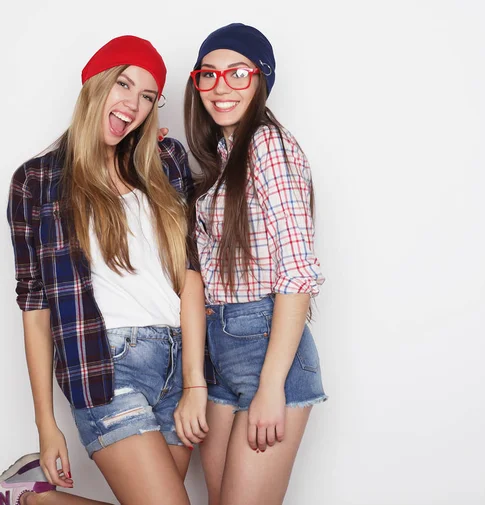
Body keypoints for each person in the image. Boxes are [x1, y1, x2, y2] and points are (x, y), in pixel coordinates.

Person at [2, 35, 210, 505]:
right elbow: (35, 308)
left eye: (147, 96)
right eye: (123, 84)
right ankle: (35, 497)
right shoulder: (36, 181)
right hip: (105, 366)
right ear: (95, 84)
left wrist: (196, 381)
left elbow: (191, 276)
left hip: (178, 367)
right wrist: (46, 424)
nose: (132, 104)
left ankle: (31, 499)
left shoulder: (166, 163)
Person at [175, 22, 327, 505]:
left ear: (261, 80)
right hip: (220, 354)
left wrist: (271, 389)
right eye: (209, 75)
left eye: (237, 74)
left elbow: (298, 272)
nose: (221, 87)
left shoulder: (267, 145)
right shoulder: (223, 161)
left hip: (268, 352)